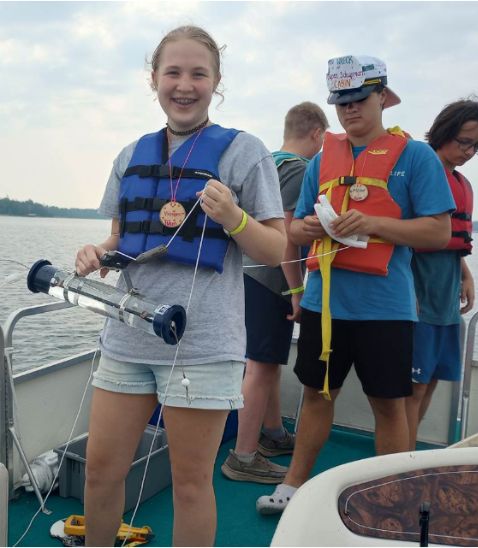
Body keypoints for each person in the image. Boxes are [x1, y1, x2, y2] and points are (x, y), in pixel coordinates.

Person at [74, 25, 286, 546]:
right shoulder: (130, 156)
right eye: (173, 72)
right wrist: (98, 254)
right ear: (154, 80)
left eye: (199, 73)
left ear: (216, 82)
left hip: (203, 346)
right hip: (127, 338)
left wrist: (235, 218)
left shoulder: (244, 152)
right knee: (102, 472)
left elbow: (277, 250)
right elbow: (120, 239)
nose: (184, 85)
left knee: (192, 485)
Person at [256, 54, 455, 514]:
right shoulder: (323, 159)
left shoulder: (417, 157)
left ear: (382, 97)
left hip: (386, 308)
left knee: (388, 405)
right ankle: (292, 485)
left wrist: (375, 224)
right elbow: (297, 226)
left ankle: (396, 498)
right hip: (326, 305)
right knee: (316, 395)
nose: (349, 110)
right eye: (340, 102)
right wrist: (308, 229)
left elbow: (438, 232)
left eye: (359, 100)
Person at [221, 102, 329, 483]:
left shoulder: (267, 161)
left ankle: (273, 434)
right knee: (263, 364)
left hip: (245, 275)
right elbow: (285, 236)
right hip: (273, 280)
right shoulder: (300, 169)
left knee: (264, 359)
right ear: (316, 133)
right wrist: (297, 290)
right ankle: (243, 456)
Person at [405, 99, 478, 449]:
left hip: (445, 302)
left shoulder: (461, 182)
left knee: (429, 383)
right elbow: (405, 237)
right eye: (463, 141)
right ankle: (403, 461)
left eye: (476, 146)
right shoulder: (419, 171)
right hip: (419, 299)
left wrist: (466, 272)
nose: (469, 151)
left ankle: (408, 454)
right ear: (443, 132)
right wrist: (407, 292)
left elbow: (449, 237)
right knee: (411, 388)